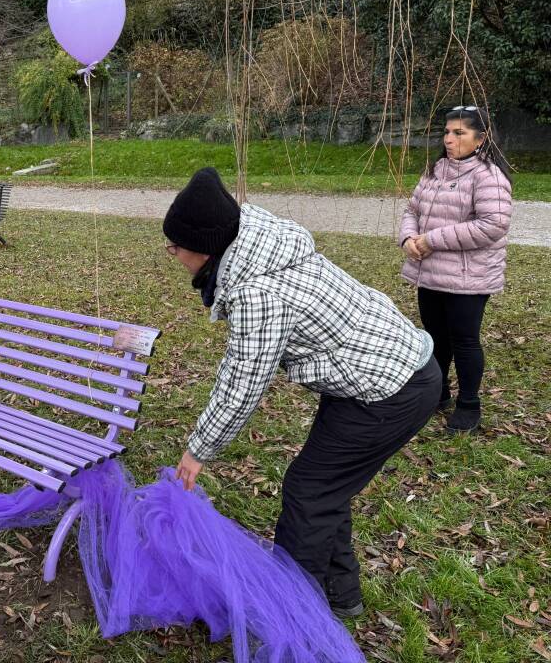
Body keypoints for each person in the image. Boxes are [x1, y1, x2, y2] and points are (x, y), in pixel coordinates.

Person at [165, 167, 439, 619]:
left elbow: (242, 384)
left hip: (389, 388)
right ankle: (340, 593)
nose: (172, 255)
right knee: (324, 486)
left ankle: (293, 616)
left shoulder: (258, 292)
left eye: (174, 247)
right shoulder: (258, 242)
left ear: (204, 248)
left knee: (308, 492)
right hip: (374, 376)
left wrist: (198, 451)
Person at [399, 106, 512, 434]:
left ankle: (468, 405)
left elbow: (493, 225)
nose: (449, 139)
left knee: (463, 340)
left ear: (481, 138)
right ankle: (438, 394)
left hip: (469, 278)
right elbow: (412, 208)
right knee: (435, 338)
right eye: (447, 132)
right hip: (430, 272)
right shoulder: (435, 170)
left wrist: (431, 239)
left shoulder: (489, 175)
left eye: (459, 133)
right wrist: (408, 237)